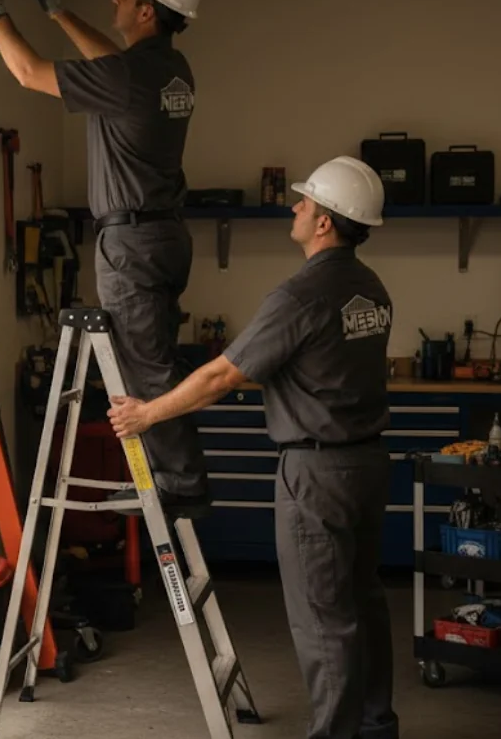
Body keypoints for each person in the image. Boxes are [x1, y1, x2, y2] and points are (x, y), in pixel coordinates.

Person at [107, 156, 399, 739]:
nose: (295, 207)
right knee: (363, 603)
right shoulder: (369, 287)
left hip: (317, 473)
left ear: (324, 223)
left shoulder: (301, 294)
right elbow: (321, 362)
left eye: (305, 203)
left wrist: (147, 414)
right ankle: (375, 726)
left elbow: (222, 376)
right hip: (367, 464)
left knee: (322, 620)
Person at [0, 0, 209, 518]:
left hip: (131, 244)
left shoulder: (130, 76)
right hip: (165, 237)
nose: (116, 0)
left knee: (146, 370)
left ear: (148, 11)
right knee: (156, 360)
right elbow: (111, 66)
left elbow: (29, 73)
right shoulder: (171, 71)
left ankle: (181, 484)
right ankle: (175, 475)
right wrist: (60, 14)